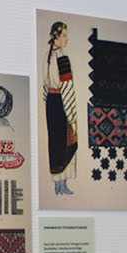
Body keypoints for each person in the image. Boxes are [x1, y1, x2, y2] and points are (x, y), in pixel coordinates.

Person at [44, 21, 81, 195]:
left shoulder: (47, 56)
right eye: (64, 35)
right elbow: (66, 87)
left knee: (55, 143)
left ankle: (59, 185)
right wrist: (72, 116)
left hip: (51, 103)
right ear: (56, 36)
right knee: (65, 142)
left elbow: (44, 86)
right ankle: (61, 185)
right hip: (60, 102)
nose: (66, 39)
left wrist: (48, 103)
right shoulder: (61, 57)